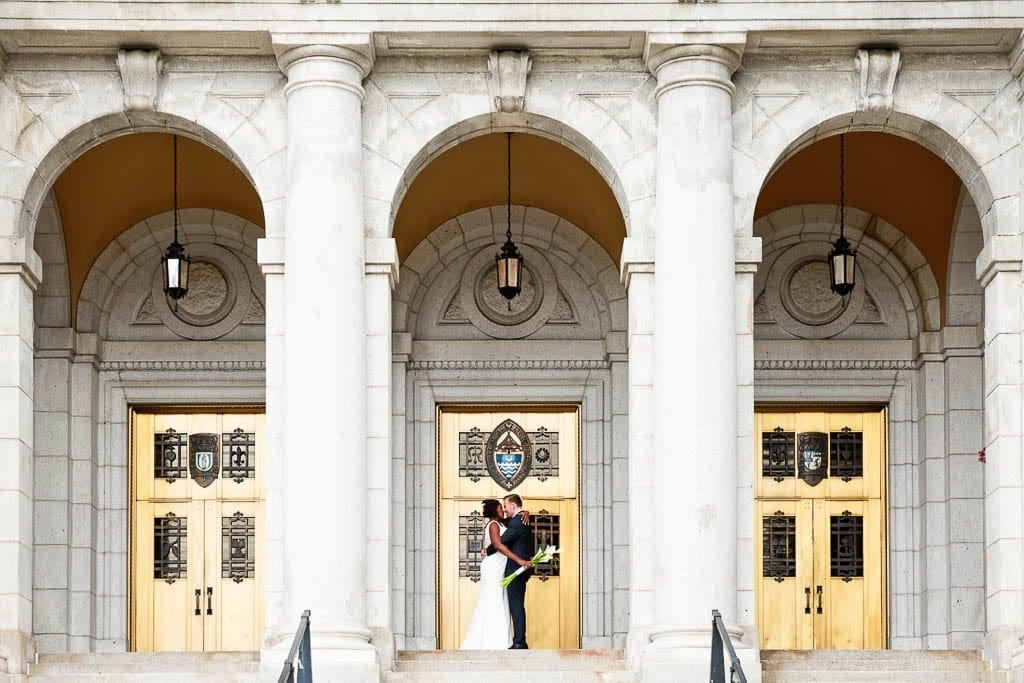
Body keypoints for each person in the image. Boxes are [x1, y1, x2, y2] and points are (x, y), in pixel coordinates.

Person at [460, 499, 522, 649]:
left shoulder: (502, 523)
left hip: (500, 566)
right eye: (501, 508)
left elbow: (516, 517)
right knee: (492, 600)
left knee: (501, 600)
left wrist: (525, 512)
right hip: (493, 567)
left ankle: (499, 639)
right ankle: (490, 641)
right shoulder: (493, 525)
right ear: (495, 511)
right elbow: (497, 545)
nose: (503, 511)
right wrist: (518, 559)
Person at [487, 493, 534, 649]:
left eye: (505, 506)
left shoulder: (517, 521)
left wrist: (486, 551)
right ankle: (518, 639)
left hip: (516, 568)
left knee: (516, 605)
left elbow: (502, 542)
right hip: (518, 568)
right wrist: (525, 512)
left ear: (513, 506)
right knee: (515, 604)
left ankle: (520, 642)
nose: (505, 509)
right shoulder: (520, 519)